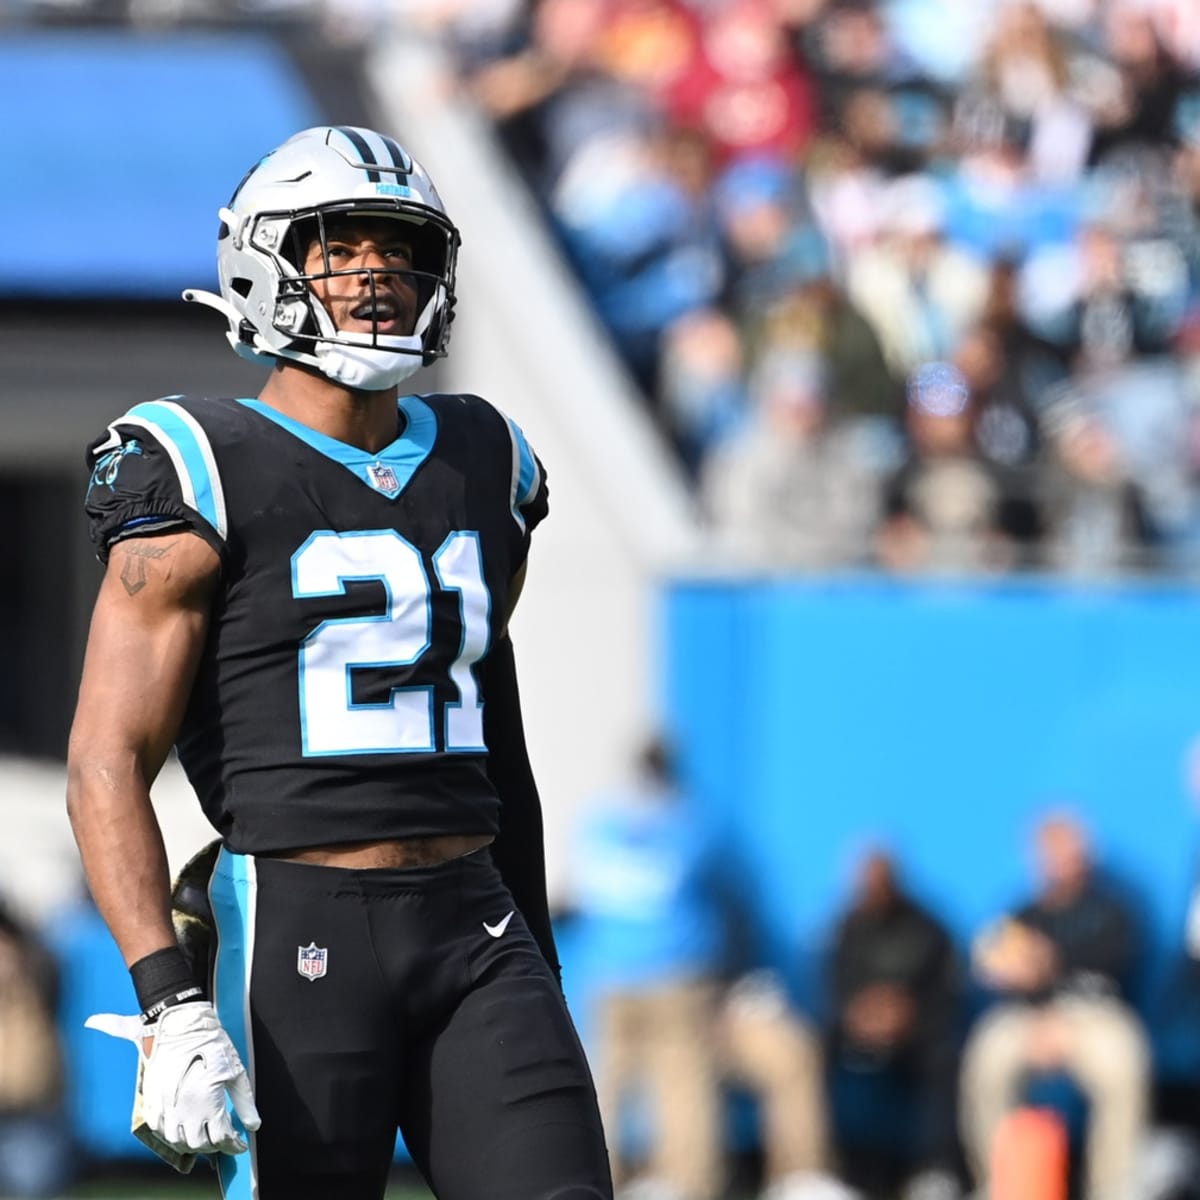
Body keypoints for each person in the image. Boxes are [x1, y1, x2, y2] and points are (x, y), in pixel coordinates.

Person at [65, 125, 612, 1200]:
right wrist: (169, 1001)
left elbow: (494, 730)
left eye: (397, 251)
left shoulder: (484, 455)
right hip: (296, 924)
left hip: (476, 925)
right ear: (264, 263)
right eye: (339, 248)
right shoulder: (198, 463)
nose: (375, 276)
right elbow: (106, 761)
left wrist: (536, 953)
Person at [959, 811, 1150, 1200]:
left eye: (1069, 848)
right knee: (988, 1055)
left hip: (1094, 1016)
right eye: (1051, 850)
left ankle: (1114, 1187)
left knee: (1123, 1062)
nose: (1061, 859)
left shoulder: (1113, 909)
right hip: (1029, 1016)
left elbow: (1119, 968)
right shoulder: (1022, 913)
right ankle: (1001, 1182)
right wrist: (1013, 976)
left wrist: (1050, 963)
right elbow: (994, 966)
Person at [570, 735, 726, 1200]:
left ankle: (596, 1181)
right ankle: (689, 1185)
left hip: (612, 971)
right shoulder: (694, 822)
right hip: (674, 973)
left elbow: (585, 889)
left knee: (608, 1089)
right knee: (682, 1087)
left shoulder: (599, 821)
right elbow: (715, 888)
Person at [823, 849, 964, 1200]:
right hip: (858, 1032)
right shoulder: (844, 928)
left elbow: (945, 994)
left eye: (880, 881)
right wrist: (860, 1015)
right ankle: (838, 1171)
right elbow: (833, 990)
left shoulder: (929, 927)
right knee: (817, 1047)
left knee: (945, 1055)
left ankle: (937, 1170)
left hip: (918, 1033)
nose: (872, 889)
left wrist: (906, 1015)